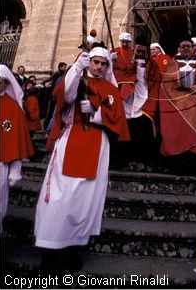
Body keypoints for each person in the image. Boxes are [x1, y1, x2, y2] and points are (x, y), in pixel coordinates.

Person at [34, 47, 129, 273]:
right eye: (94, 62)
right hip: (71, 141)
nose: (98, 67)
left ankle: (72, 249)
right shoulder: (79, 78)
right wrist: (77, 69)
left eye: (102, 64)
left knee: (84, 200)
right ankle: (50, 254)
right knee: (59, 198)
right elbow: (63, 96)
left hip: (97, 146)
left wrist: (97, 113)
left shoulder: (109, 89)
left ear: (108, 67)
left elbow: (118, 118)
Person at [159, 37, 196, 173]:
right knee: (177, 128)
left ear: (192, 48)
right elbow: (167, 82)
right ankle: (177, 162)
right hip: (176, 99)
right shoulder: (173, 63)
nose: (185, 48)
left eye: (188, 46)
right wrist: (180, 82)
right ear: (179, 48)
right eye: (182, 46)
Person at [0, 65, 34, 228]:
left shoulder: (13, 107)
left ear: (7, 84)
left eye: (0, 82)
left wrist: (15, 169)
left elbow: (16, 139)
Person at [121, 39, 161, 163]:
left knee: (143, 129)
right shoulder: (128, 61)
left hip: (145, 98)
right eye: (138, 50)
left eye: (143, 51)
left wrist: (152, 101)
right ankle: (127, 158)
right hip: (129, 98)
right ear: (134, 49)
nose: (140, 53)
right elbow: (121, 75)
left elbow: (156, 82)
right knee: (128, 128)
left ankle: (144, 159)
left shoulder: (153, 64)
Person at [112, 32, 136, 101]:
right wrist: (111, 58)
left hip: (129, 77)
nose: (125, 44)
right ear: (120, 41)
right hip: (117, 76)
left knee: (124, 94)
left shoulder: (134, 52)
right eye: (123, 42)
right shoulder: (115, 51)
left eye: (127, 42)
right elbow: (107, 64)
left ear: (130, 42)